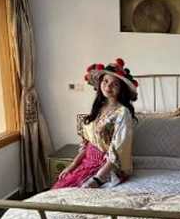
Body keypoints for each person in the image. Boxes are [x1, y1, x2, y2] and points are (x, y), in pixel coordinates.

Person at [52, 58, 138, 189]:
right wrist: (72, 166)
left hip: (107, 167)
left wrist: (97, 179)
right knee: (60, 189)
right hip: (87, 162)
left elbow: (119, 149)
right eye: (105, 81)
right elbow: (89, 143)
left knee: (81, 192)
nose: (108, 86)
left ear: (121, 89)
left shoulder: (123, 113)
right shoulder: (98, 108)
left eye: (115, 84)